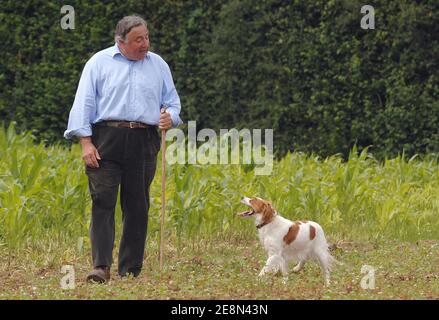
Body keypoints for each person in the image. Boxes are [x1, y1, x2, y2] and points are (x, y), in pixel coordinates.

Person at [64, 15, 182, 283]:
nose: (145, 44)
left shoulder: (158, 65)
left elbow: (173, 103)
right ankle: (100, 267)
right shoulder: (98, 63)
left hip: (144, 140)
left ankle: (130, 269)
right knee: (103, 201)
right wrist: (85, 142)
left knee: (137, 204)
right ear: (121, 42)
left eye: (147, 37)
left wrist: (170, 117)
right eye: (138, 40)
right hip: (106, 138)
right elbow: (83, 103)